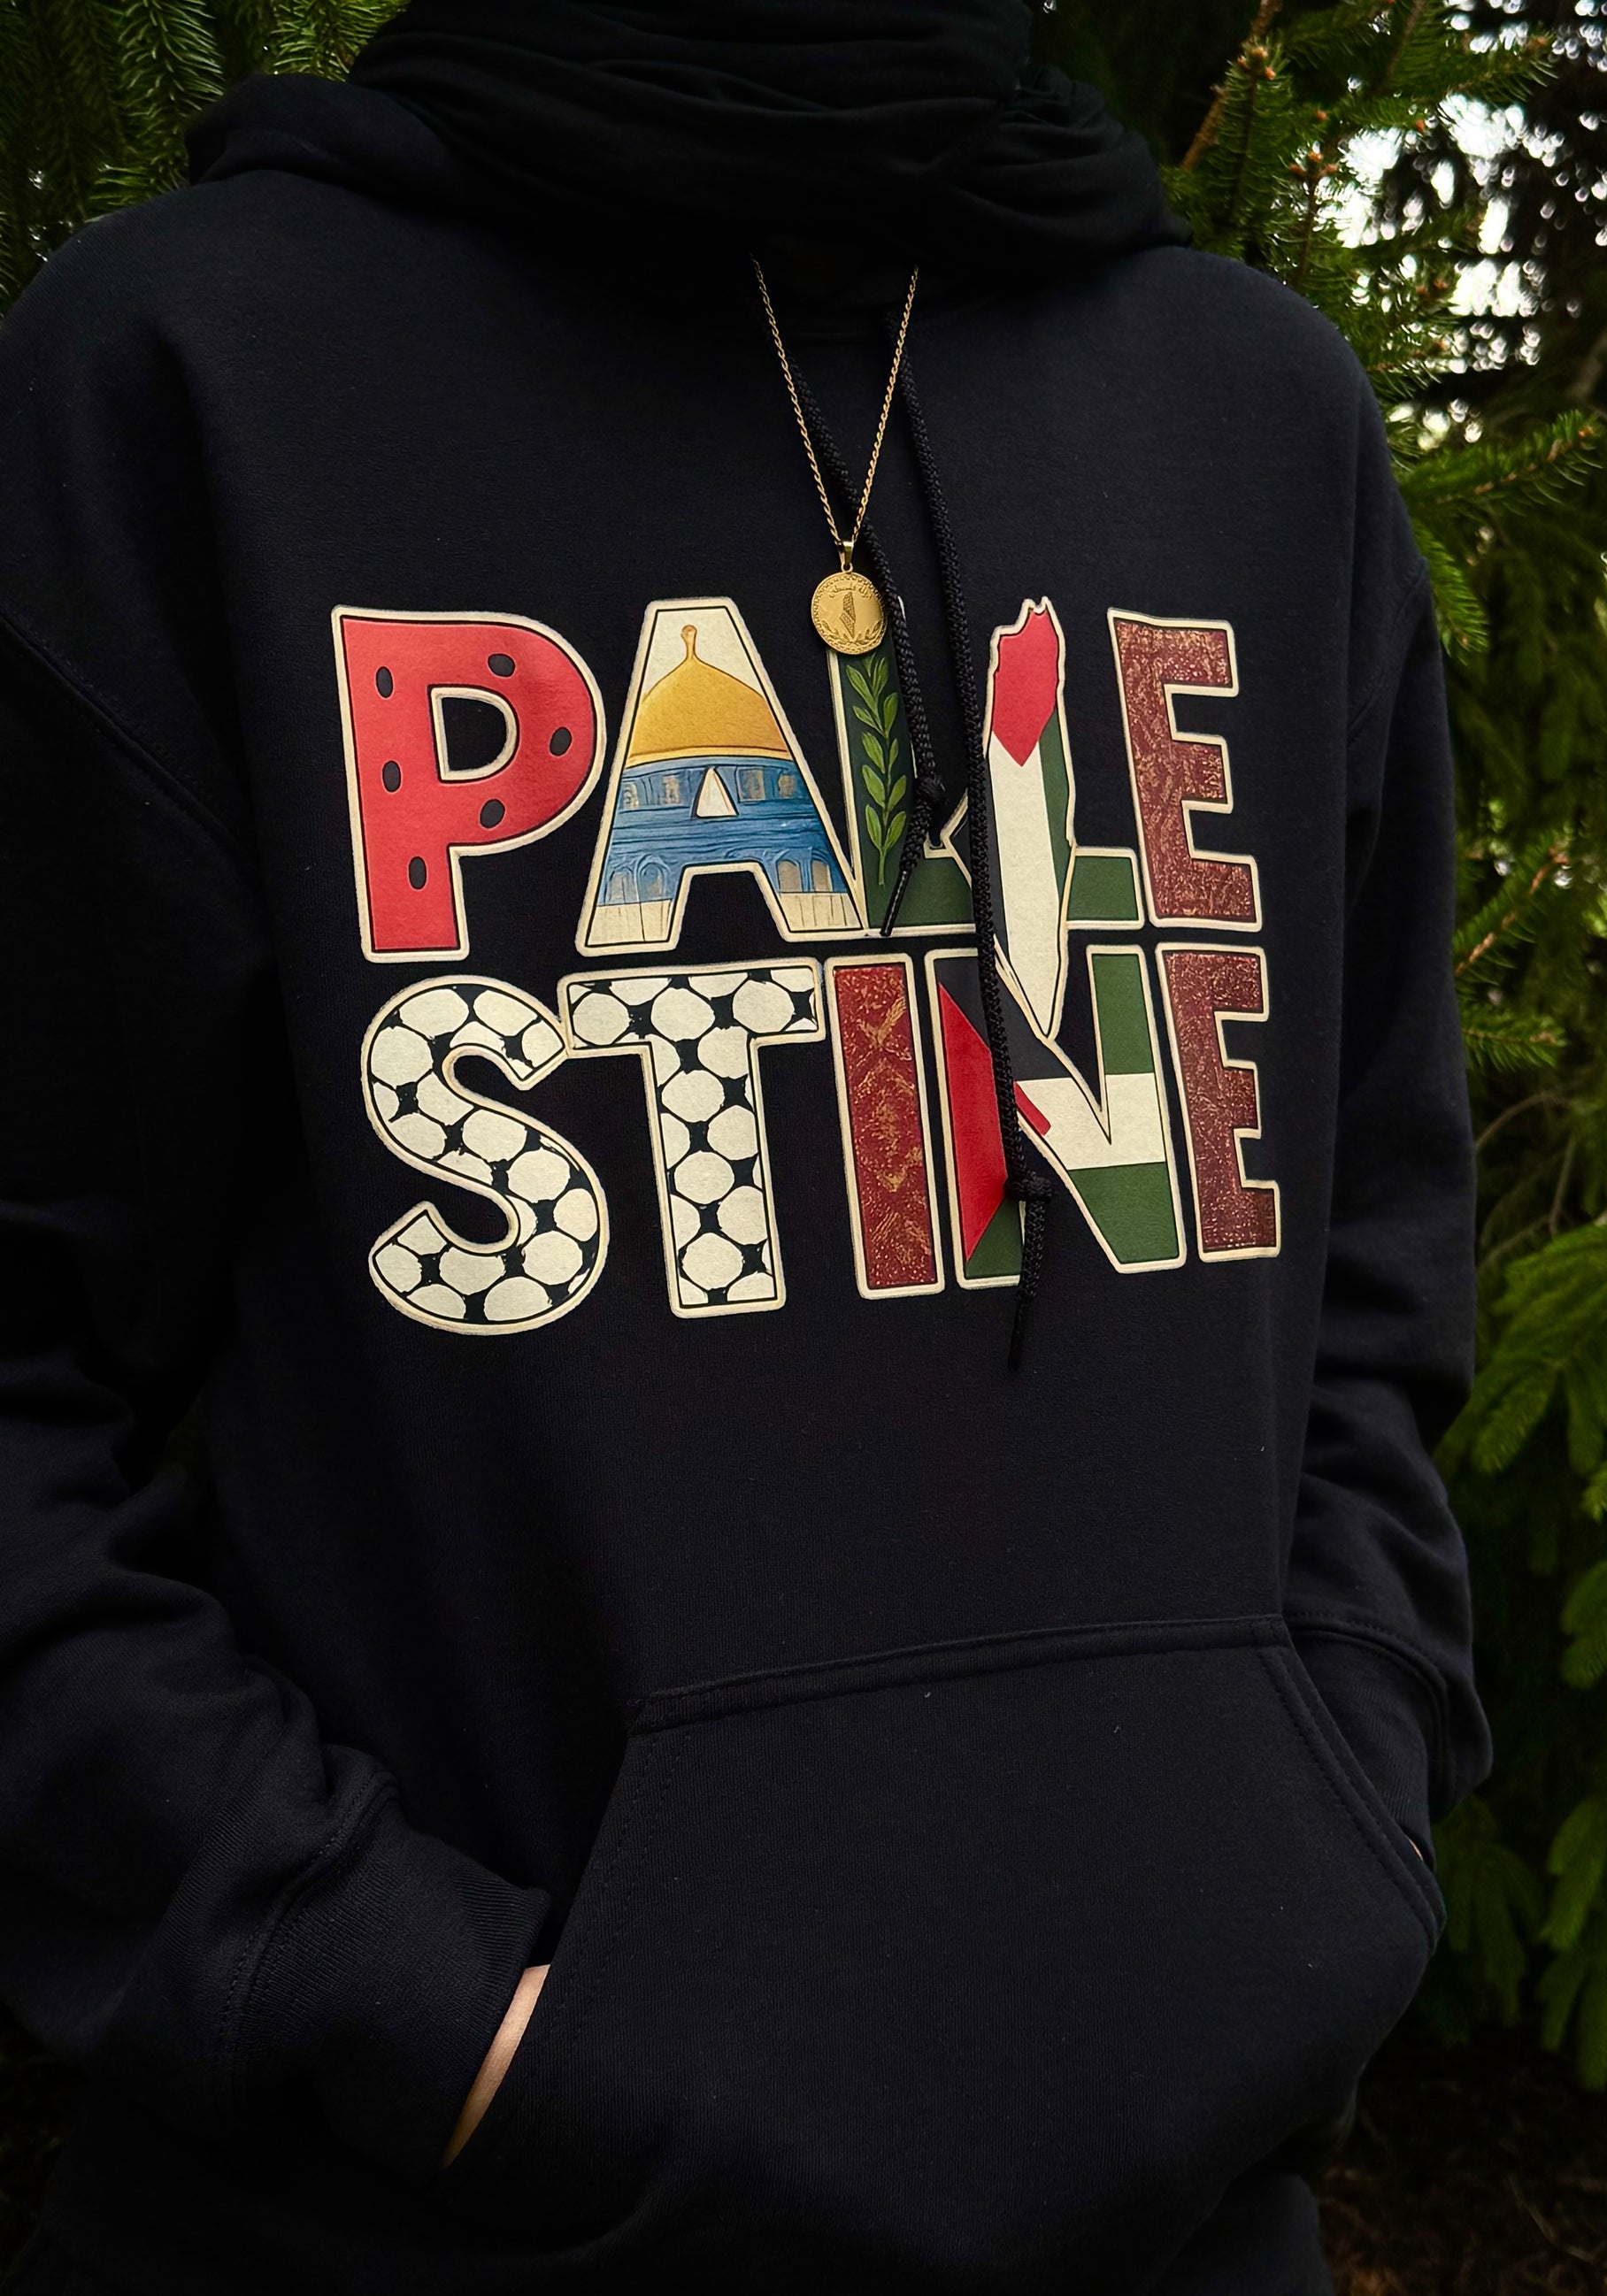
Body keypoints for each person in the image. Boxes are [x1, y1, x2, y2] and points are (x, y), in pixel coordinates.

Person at [0, 4, 1490, 2290]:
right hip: (419, 2227)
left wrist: (1323, 1837)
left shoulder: (1249, 415)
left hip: (1186, 2227)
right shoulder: (182, 376)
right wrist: (403, 1998)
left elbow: (1371, 1258)